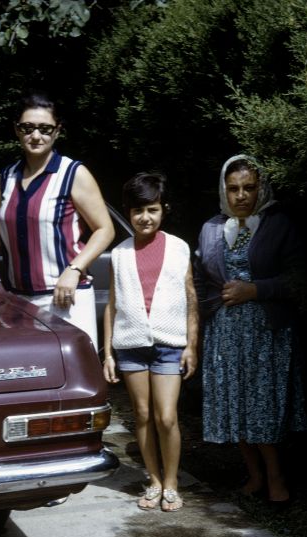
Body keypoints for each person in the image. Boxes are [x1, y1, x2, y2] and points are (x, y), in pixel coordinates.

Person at [194, 154, 307, 506]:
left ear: (261, 189)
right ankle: (254, 475)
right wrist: (208, 311)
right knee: (235, 404)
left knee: (264, 407)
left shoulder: (278, 225)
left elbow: (299, 278)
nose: (241, 195)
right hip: (225, 334)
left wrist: (257, 289)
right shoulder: (212, 228)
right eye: (233, 189)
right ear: (223, 191)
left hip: (266, 334)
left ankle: (275, 476)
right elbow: (200, 281)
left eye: (249, 187)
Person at [0, 90, 114, 350]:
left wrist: (74, 270)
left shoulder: (73, 173)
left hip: (65, 300)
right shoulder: (7, 176)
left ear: (57, 131)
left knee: (73, 382)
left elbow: (104, 229)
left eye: (45, 128)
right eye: (28, 128)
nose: (36, 135)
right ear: (16, 130)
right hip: (18, 303)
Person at [103, 173, 198, 512]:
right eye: (138, 210)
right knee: (142, 415)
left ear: (163, 210)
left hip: (170, 345)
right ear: (128, 213)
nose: (145, 217)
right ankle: (154, 480)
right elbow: (112, 306)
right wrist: (109, 354)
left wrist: (191, 345)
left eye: (153, 209)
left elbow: (190, 298)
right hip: (130, 345)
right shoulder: (119, 254)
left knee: (167, 417)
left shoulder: (178, 248)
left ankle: (172, 483)